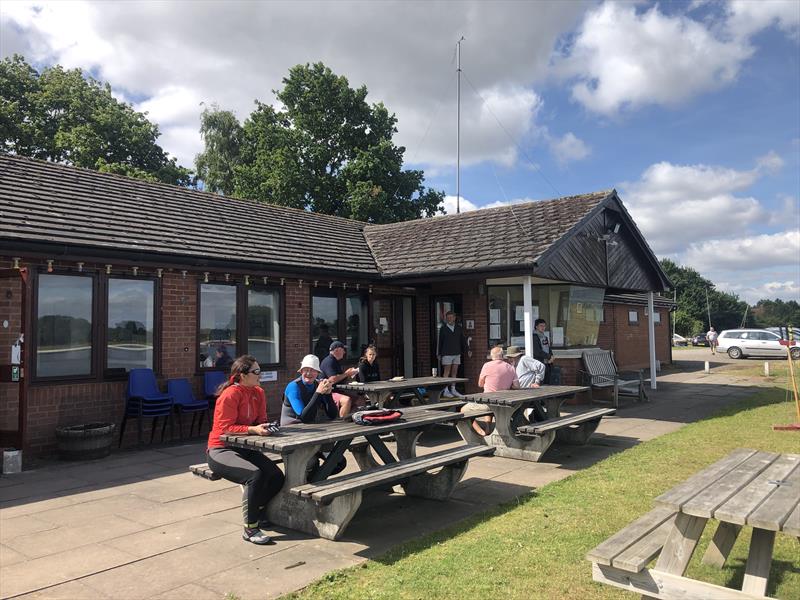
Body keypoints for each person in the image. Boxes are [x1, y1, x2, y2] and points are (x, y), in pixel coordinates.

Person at [206, 355, 284, 545]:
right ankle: (250, 528)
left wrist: (264, 426)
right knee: (255, 475)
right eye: (256, 371)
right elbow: (225, 428)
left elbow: (259, 421)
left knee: (276, 476)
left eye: (260, 370)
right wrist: (252, 429)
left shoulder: (258, 392)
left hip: (245, 448)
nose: (260, 374)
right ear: (242, 375)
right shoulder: (230, 394)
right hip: (221, 449)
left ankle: (259, 512)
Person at [462, 346, 519, 435]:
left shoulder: (486, 366)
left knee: (463, 410)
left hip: (488, 403)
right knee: (489, 407)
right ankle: (488, 429)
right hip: (505, 403)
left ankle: (480, 431)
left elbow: (480, 384)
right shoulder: (511, 367)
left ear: (491, 356)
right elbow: (517, 386)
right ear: (502, 356)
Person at [281, 354, 337, 425]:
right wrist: (318, 393)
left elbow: (332, 415)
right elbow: (304, 417)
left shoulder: (318, 384)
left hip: (311, 427)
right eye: (306, 370)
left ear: (318, 373)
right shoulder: (293, 387)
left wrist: (328, 394)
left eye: (313, 370)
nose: (309, 373)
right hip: (291, 428)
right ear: (301, 372)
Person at [320, 340, 360, 417]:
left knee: (359, 400)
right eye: (343, 350)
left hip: (337, 390)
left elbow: (339, 377)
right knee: (347, 400)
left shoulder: (335, 361)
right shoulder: (329, 361)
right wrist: (346, 374)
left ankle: (349, 418)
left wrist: (349, 374)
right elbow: (332, 379)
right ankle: (342, 422)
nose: (344, 352)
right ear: (337, 350)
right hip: (327, 393)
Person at [437, 311, 468, 398]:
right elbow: (440, 342)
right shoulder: (443, 328)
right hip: (446, 352)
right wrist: (439, 353)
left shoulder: (458, 328)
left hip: (456, 352)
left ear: (454, 318)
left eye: (451, 317)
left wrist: (467, 350)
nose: (449, 319)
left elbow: (463, 340)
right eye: (448, 318)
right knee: (447, 372)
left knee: (454, 371)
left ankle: (453, 389)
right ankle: (446, 390)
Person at [532, 318, 555, 384]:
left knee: (547, 383)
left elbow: (548, 348)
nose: (543, 327)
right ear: (536, 327)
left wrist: (551, 356)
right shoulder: (534, 337)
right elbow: (537, 351)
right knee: (541, 383)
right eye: (541, 326)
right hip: (539, 363)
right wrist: (549, 356)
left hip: (547, 363)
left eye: (544, 326)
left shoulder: (544, 337)